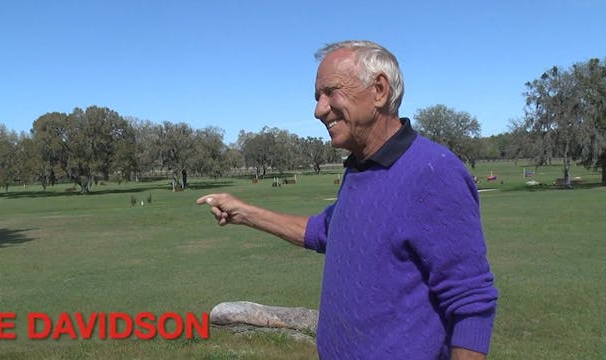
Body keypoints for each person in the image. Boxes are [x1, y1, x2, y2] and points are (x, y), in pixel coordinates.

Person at [196, 40, 498, 360]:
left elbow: (472, 302)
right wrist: (243, 212)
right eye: (317, 97)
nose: (318, 109)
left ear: (379, 90)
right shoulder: (360, 167)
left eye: (331, 92)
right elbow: (326, 230)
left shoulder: (432, 171)